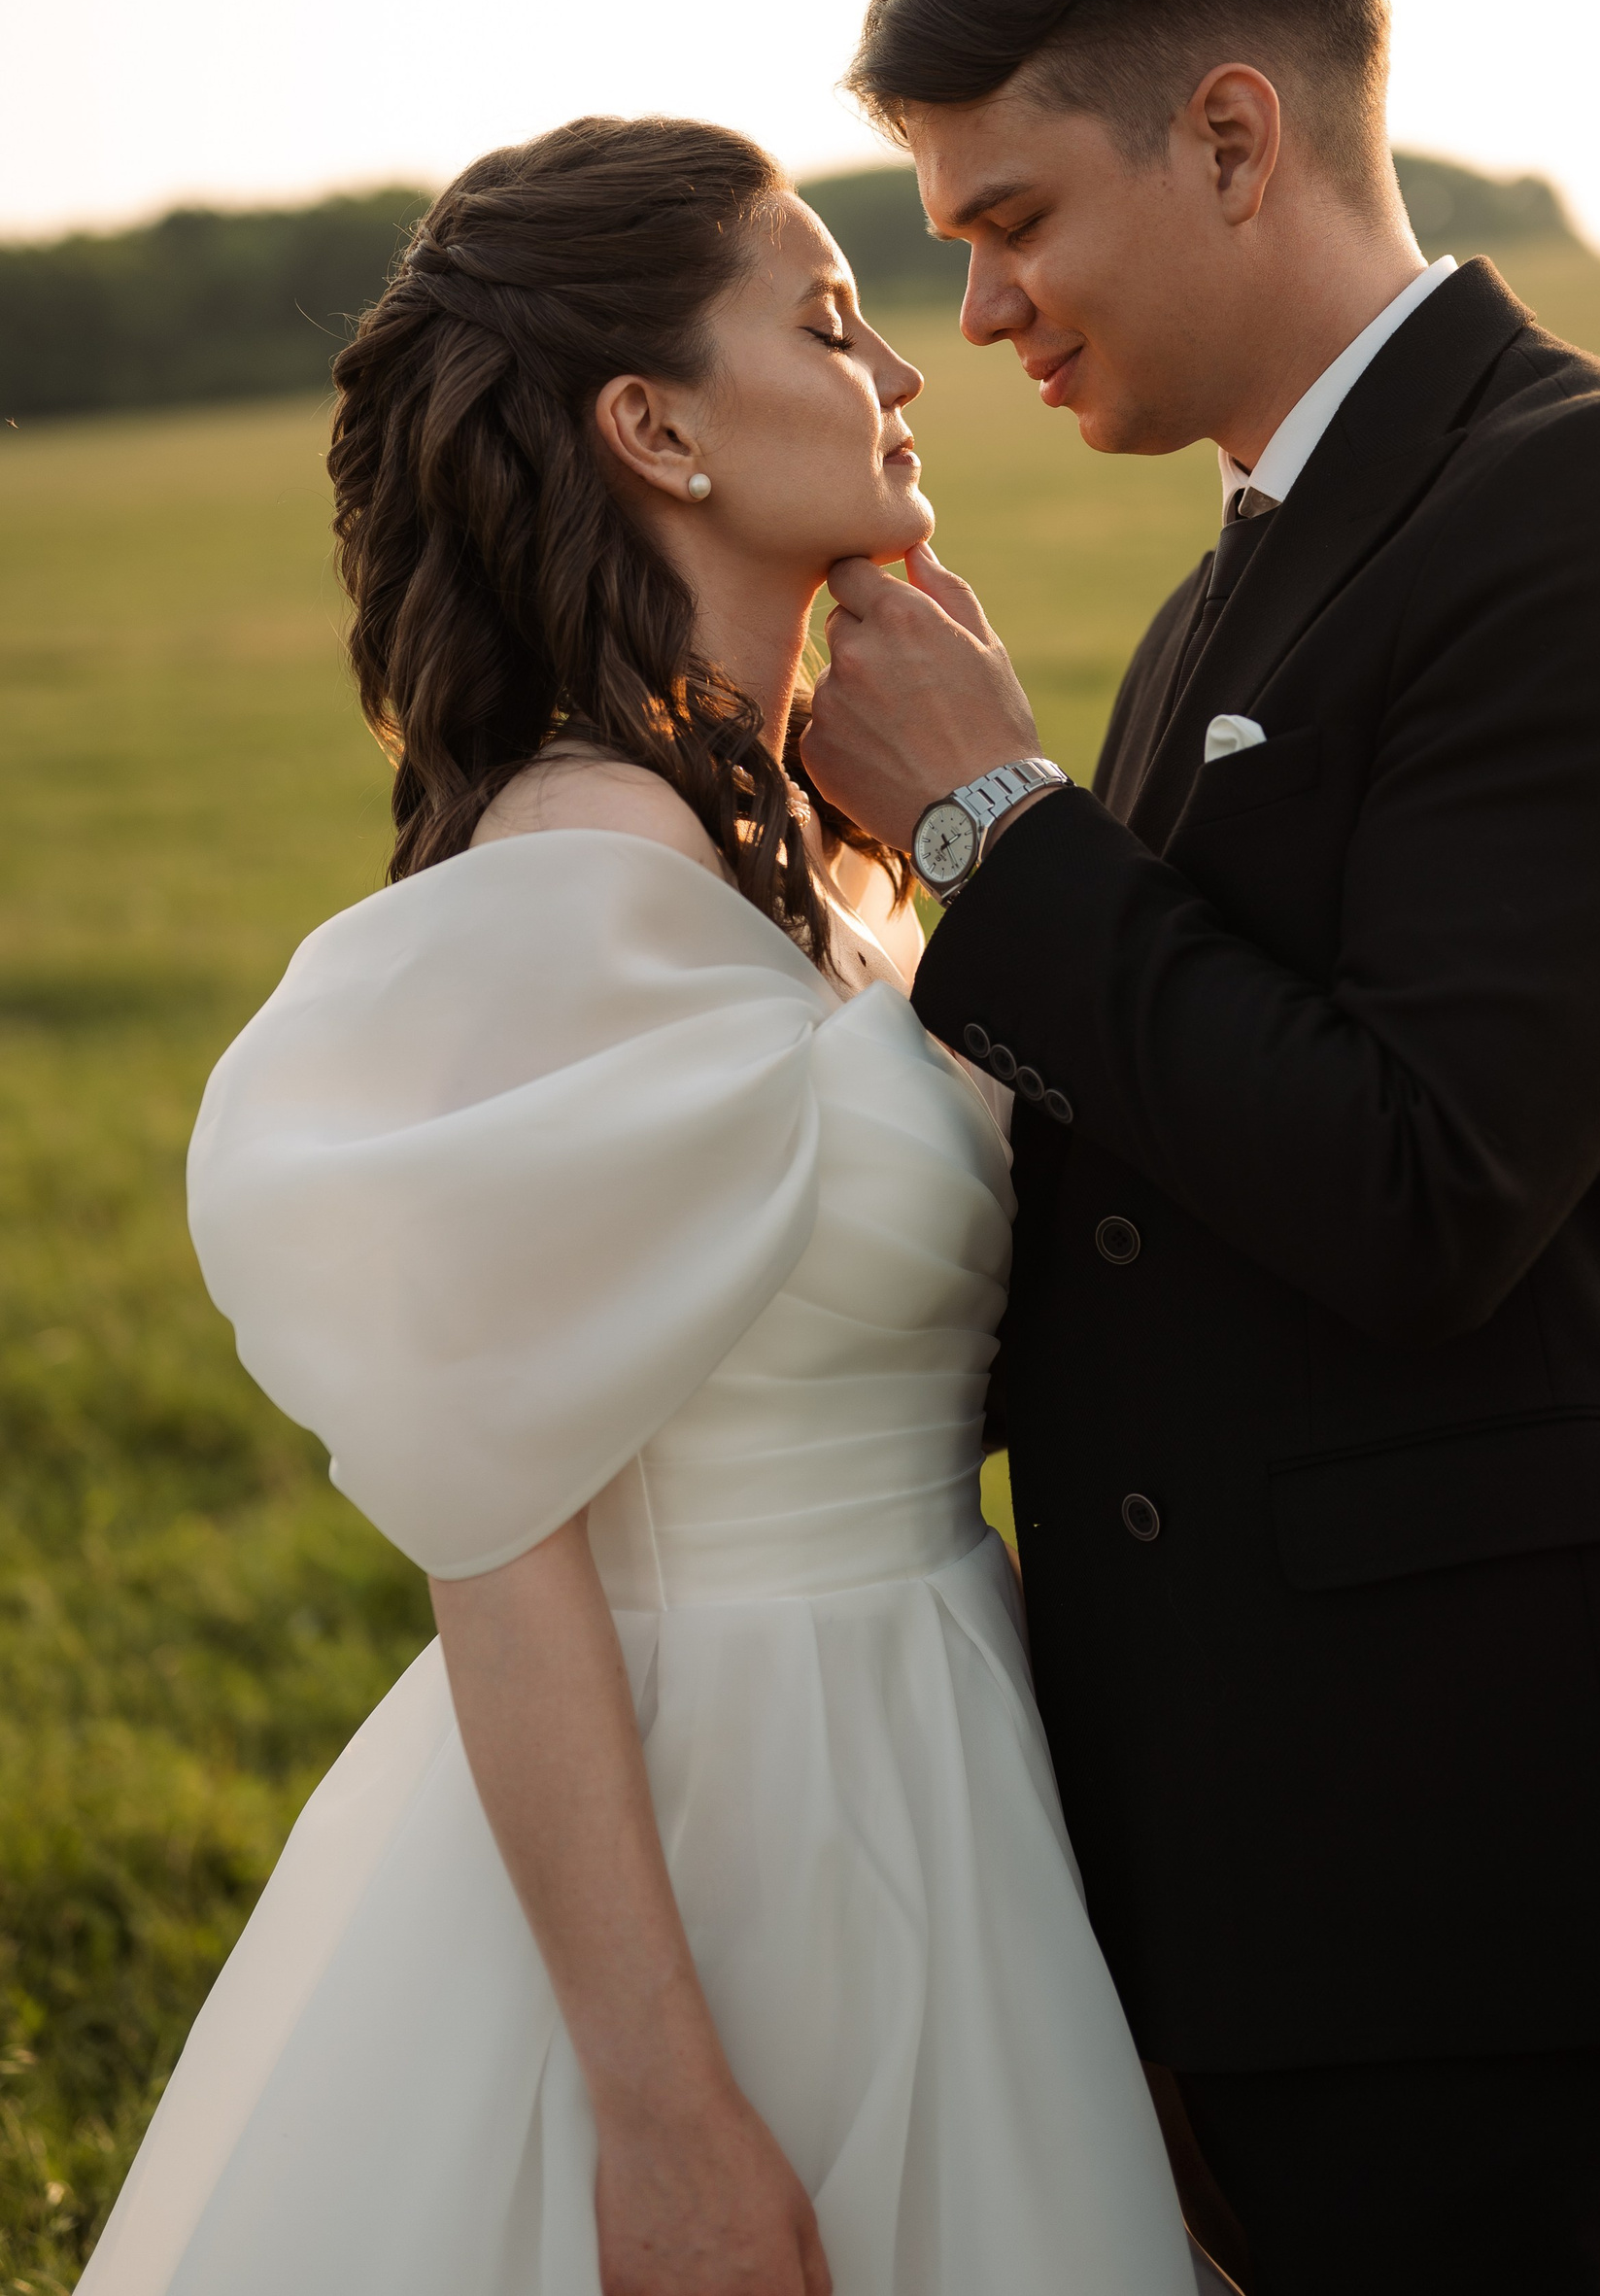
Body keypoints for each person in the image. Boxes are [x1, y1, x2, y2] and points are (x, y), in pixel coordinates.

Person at [800, 0, 1600, 2296]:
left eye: (1013, 220)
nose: (985, 311)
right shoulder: (1230, 584)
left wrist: (994, 830)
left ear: (1233, 135)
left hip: (1487, 1857)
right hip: (1237, 1840)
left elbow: (1420, 1181)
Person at [76, 117, 1207, 2296]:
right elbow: (500, 1543)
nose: (904, 372)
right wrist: (665, 2103)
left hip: (942, 1731)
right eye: (832, 323)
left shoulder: (807, 844)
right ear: (655, 428)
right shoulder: (587, 864)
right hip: (720, 1815)